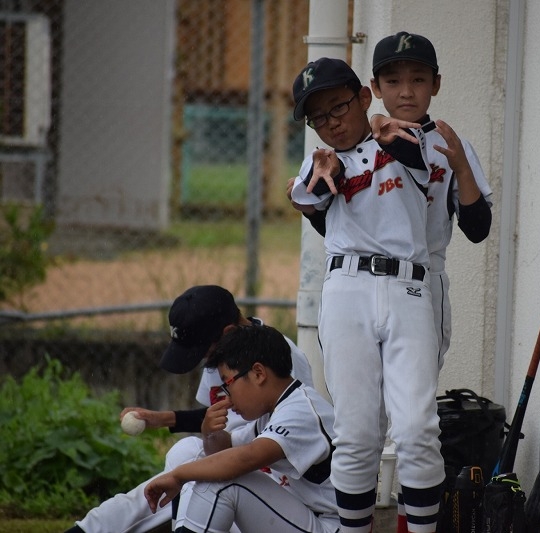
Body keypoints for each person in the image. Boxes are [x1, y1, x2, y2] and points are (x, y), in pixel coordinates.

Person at [289, 57, 445, 533]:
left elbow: (411, 153)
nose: (331, 122)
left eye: (338, 106)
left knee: (416, 430)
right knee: (355, 435)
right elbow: (306, 196)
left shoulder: (404, 136)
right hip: (347, 289)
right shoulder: (320, 159)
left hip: (407, 287)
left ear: (362, 96)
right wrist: (325, 167)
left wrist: (378, 123)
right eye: (318, 116)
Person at [369, 31, 494, 531]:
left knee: (413, 421)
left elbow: (478, 228)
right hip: (363, 287)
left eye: (418, 79)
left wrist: (459, 164)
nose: (406, 90)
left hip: (423, 283)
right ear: (375, 88)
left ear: (436, 84)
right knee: (366, 422)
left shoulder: (449, 145)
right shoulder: (361, 140)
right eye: (393, 80)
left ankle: (408, 521)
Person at [65, 285, 314, 533]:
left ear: (227, 333)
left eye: (202, 350)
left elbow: (261, 446)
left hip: (276, 485)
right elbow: (220, 417)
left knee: (197, 473)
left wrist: (182, 474)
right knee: (185, 454)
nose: (203, 359)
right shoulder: (228, 356)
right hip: (233, 458)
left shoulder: (277, 358)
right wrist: (163, 419)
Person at [144, 324, 339, 533]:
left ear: (258, 373)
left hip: (330, 526)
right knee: (189, 451)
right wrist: (209, 432)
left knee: (221, 484)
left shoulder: (302, 409)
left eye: (227, 384)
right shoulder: (276, 409)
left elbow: (245, 458)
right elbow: (224, 449)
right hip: (301, 517)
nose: (227, 397)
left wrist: (179, 475)